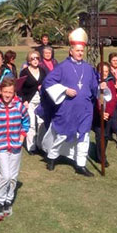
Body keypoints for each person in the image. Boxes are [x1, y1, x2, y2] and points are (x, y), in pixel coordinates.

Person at [37, 28, 98, 177]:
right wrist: (64, 90)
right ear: (71, 51)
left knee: (84, 137)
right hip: (68, 110)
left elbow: (94, 87)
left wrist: (100, 88)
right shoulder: (63, 67)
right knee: (62, 135)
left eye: (82, 51)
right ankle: (52, 157)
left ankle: (80, 164)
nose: (80, 53)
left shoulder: (88, 68)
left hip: (85, 109)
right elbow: (48, 82)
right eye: (77, 51)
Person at [0, 77, 29, 220]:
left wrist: (22, 137)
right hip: (1, 146)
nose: (7, 95)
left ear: (14, 93)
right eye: (5, 92)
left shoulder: (19, 107)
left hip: (16, 147)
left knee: (13, 177)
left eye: (10, 92)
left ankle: (8, 200)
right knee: (5, 176)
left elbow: (26, 122)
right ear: (0, 91)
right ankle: (0, 202)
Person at [18, 50, 48, 154]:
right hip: (29, 101)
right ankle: (31, 147)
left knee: (41, 123)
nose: (35, 60)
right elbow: (20, 88)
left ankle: (40, 145)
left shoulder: (42, 71)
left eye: (37, 58)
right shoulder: (24, 72)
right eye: (32, 58)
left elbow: (46, 84)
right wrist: (24, 100)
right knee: (31, 124)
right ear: (29, 60)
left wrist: (42, 87)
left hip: (41, 101)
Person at [91, 62, 117, 167]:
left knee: (105, 136)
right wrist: (101, 112)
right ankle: (101, 158)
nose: (104, 74)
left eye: (106, 71)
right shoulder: (95, 82)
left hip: (108, 115)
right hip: (98, 114)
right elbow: (96, 99)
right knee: (100, 136)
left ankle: (101, 153)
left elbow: (113, 99)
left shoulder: (110, 82)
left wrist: (108, 113)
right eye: (102, 71)